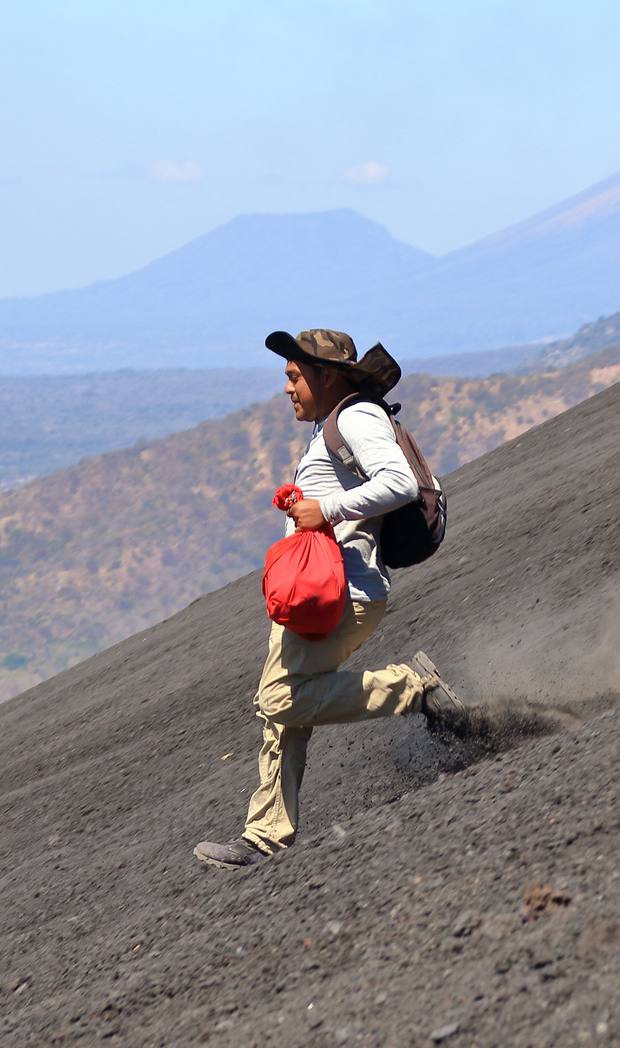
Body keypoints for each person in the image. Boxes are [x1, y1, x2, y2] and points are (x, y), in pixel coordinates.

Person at [195, 328, 466, 870]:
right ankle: (265, 835)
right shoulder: (329, 428)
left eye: (296, 376)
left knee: (277, 699)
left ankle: (415, 690)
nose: (288, 389)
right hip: (316, 596)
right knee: (280, 711)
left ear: (328, 376)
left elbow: (400, 483)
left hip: (344, 593)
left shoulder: (355, 417)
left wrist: (328, 509)